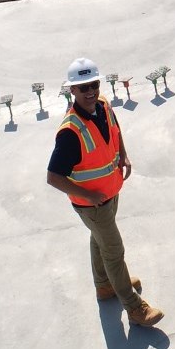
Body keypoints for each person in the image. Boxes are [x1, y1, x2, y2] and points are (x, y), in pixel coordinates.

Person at [45, 57, 164, 326]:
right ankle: (134, 309)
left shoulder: (103, 105)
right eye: (83, 87)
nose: (90, 92)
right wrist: (89, 196)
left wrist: (124, 154)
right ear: (72, 91)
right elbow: (53, 177)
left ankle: (105, 286)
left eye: (94, 85)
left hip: (110, 193)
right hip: (92, 204)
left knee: (99, 240)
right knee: (114, 251)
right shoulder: (70, 132)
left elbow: (115, 129)